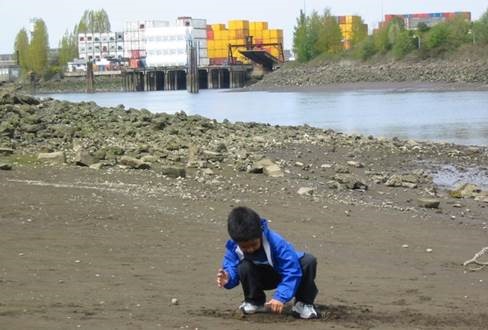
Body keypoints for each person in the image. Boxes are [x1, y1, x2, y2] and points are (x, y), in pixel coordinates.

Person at [216, 206, 319, 319]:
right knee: (243, 266)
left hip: (283, 275)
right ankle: (254, 301)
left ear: (260, 233)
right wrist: (228, 278)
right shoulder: (234, 248)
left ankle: (303, 304)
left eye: (253, 244)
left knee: (308, 261)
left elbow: (291, 271)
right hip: (261, 279)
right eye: (244, 247)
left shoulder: (277, 243)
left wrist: (280, 297)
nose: (250, 249)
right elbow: (231, 266)